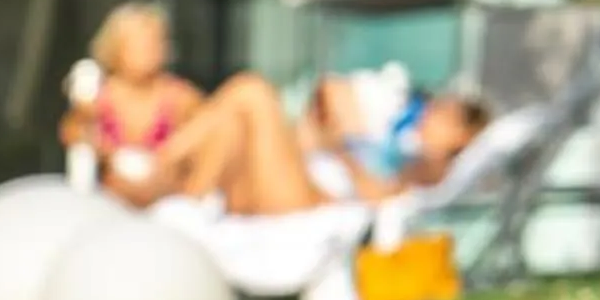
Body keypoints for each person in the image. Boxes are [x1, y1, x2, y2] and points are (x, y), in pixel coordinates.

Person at [141, 68, 492, 217]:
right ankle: (185, 193)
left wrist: (340, 149)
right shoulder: (406, 141)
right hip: (299, 185)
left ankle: (158, 163)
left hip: (309, 202)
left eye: (444, 114)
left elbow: (382, 197)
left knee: (254, 92)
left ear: (463, 135)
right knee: (234, 121)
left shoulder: (431, 166)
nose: (430, 112)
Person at [63, 2, 203, 202]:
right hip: (113, 204)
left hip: (167, 202)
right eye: (140, 43)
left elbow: (209, 146)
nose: (150, 51)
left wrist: (170, 159)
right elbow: (71, 133)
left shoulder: (181, 96)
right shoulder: (100, 96)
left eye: (156, 42)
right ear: (116, 47)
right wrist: (84, 119)